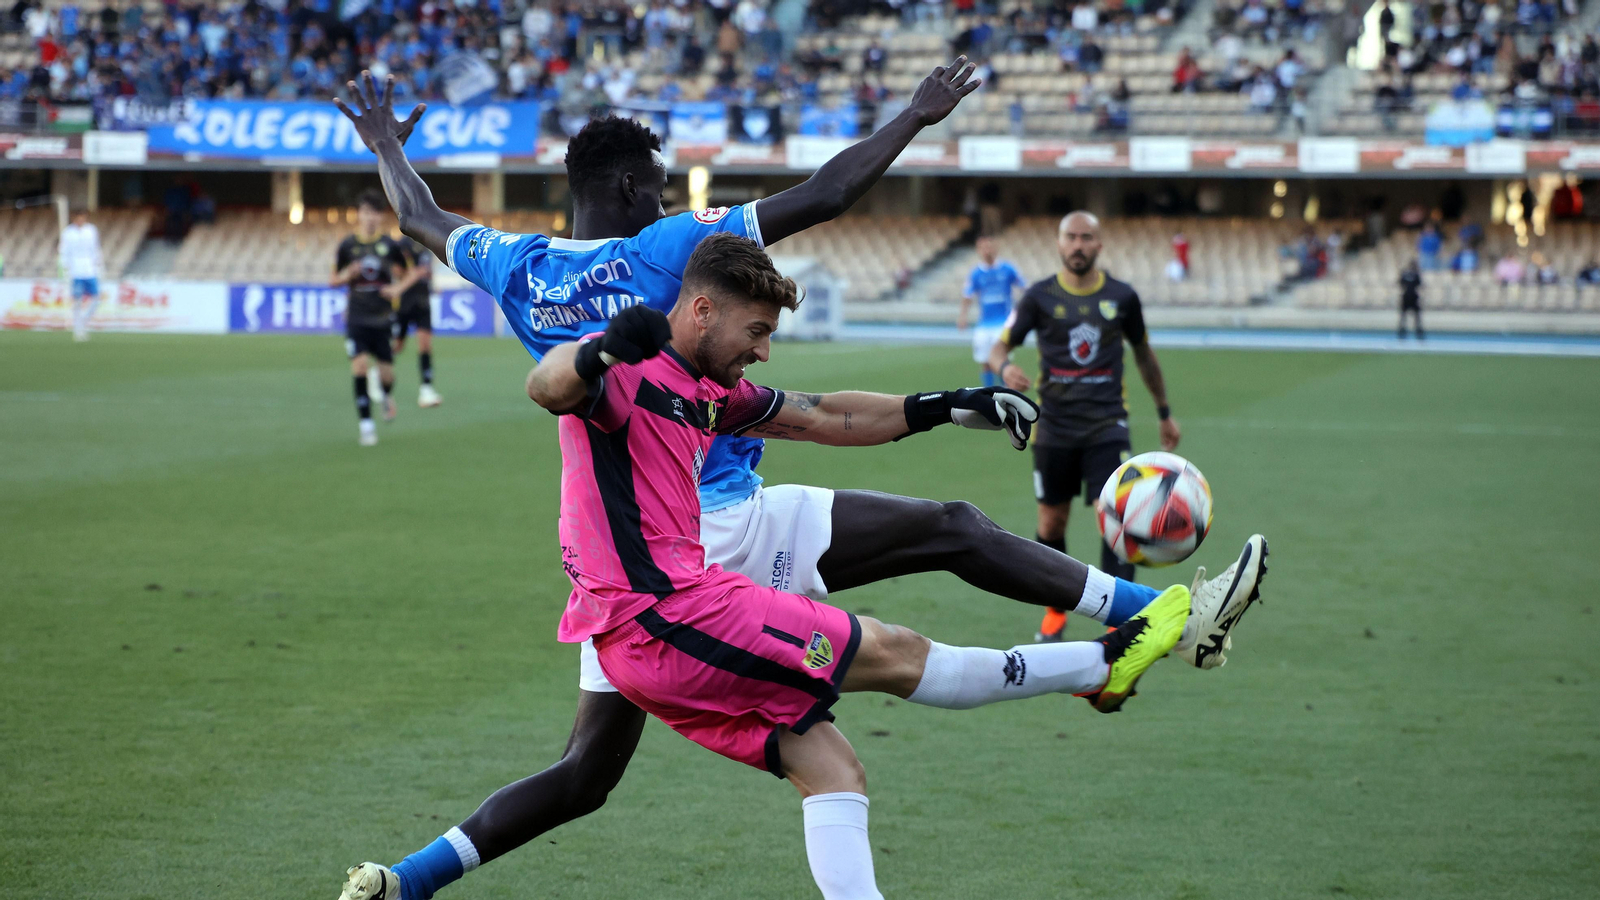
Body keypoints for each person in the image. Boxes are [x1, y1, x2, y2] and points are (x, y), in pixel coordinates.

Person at [332, 69, 1268, 900]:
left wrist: (382, 144)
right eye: (657, 185)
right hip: (709, 534)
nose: (667, 198)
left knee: (595, 772)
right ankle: (1154, 619)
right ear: (631, 190)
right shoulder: (671, 252)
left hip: (610, 549)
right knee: (943, 539)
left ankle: (405, 881)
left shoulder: (522, 268)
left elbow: (420, 218)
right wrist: (914, 114)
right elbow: (826, 194)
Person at [525, 235, 1203, 898]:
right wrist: (598, 353)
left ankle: (420, 876)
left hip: (665, 623)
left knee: (832, 769)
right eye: (757, 331)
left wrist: (945, 406)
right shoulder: (626, 379)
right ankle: (1106, 658)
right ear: (702, 311)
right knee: (900, 652)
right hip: (667, 618)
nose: (763, 351)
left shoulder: (705, 393)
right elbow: (548, 385)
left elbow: (826, 414)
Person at [988, 212, 1183, 644]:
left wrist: (1164, 411)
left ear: (1100, 245)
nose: (1078, 245)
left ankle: (1120, 626)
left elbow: (1144, 355)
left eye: (1087, 238)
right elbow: (1000, 344)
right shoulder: (1038, 297)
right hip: (1053, 427)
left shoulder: (1123, 297)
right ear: (1059, 244)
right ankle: (1056, 611)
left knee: (1120, 518)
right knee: (1051, 524)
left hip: (1107, 425)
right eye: (1071, 237)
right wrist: (1005, 366)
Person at [331, 188, 420, 446]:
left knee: (387, 376)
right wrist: (347, 275)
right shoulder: (347, 246)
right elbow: (332, 280)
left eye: (375, 213)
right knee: (358, 368)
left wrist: (397, 288)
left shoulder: (390, 246)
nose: (370, 218)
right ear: (358, 214)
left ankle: (386, 393)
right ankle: (366, 426)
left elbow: (412, 274)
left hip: (382, 319)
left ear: (381, 217)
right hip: (357, 318)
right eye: (365, 212)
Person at [956, 236, 1026, 387]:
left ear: (995, 248)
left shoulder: (1007, 269)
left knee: (1003, 362)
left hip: (1003, 323)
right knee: (985, 362)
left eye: (989, 247)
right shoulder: (976, 273)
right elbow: (967, 295)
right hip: (984, 324)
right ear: (979, 251)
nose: (987, 251)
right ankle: (988, 394)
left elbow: (1024, 287)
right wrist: (963, 316)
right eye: (983, 248)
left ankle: (1006, 394)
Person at [392, 235, 443, 408]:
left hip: (423, 301)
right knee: (397, 346)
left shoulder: (427, 243)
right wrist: (413, 274)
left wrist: (432, 282)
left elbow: (428, 270)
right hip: (404, 302)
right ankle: (378, 374)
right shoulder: (402, 244)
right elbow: (396, 271)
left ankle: (426, 389)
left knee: (425, 345)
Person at [58, 208, 101, 342]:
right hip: (75, 271)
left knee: (96, 299)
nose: (80, 220)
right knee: (77, 301)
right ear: (74, 218)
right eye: (78, 217)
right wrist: (65, 268)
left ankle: (83, 321)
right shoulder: (68, 232)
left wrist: (98, 264)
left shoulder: (91, 230)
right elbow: (64, 251)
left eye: (83, 217)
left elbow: (95, 248)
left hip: (89, 269)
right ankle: (78, 330)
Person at [1398, 259, 1424, 339]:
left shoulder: (1411, 274)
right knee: (1404, 315)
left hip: (1411, 297)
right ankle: (1403, 331)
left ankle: (1418, 331)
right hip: (1409, 296)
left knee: (1416, 316)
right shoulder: (1412, 274)